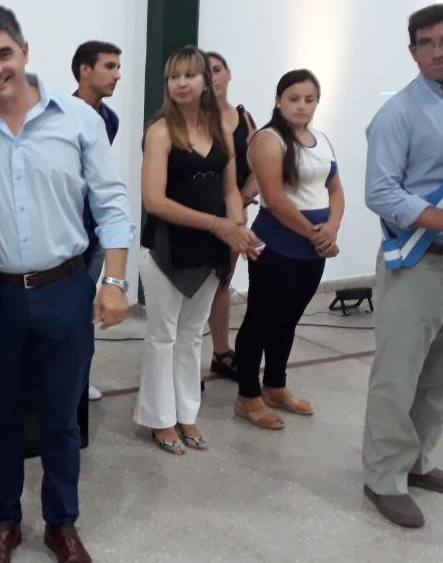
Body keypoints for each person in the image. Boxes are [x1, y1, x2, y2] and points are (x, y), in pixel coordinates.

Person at [0, 4, 136, 563]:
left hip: (65, 290)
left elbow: (112, 203)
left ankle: (61, 523)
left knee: (60, 418)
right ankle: (4, 520)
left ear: (25, 51)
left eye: (3, 54)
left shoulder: (78, 120)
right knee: (1, 417)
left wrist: (114, 282)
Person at [363, 2, 443, 528]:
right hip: (419, 260)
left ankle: (418, 461)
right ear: (413, 51)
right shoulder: (399, 113)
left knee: (436, 375)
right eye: (426, 43)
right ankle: (383, 477)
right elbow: (380, 192)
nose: (437, 51)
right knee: (397, 376)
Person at [135, 47, 258, 454]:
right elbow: (154, 201)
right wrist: (218, 225)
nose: (181, 83)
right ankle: (160, 419)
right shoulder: (159, 131)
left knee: (191, 335)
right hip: (167, 249)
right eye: (174, 77)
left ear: (207, 81)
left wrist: (237, 227)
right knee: (163, 336)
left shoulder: (219, 128)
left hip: (211, 249)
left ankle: (186, 413)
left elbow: (230, 189)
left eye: (190, 75)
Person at [233, 70, 343, 429]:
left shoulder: (321, 139)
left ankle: (275, 385)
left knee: (289, 318)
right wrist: (318, 236)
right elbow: (276, 200)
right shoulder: (268, 140)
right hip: (278, 246)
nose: (301, 106)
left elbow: (335, 191)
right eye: (294, 98)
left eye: (309, 99)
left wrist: (332, 227)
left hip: (312, 249)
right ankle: (247, 395)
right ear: (279, 100)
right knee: (261, 319)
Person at [72, 40, 123, 401]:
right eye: (109, 66)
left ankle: (79, 378)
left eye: (118, 67)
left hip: (96, 230)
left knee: (86, 306)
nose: (117, 75)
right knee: (67, 308)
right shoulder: (60, 115)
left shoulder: (111, 119)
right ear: (84, 70)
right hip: (68, 232)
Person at [204, 51, 259, 381]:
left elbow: (259, 164)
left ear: (229, 73)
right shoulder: (190, 120)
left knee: (222, 282)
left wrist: (243, 198)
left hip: (234, 216)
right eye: (205, 71)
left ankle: (221, 353)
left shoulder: (244, 118)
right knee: (192, 288)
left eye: (216, 69)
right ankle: (180, 361)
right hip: (201, 216)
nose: (212, 77)